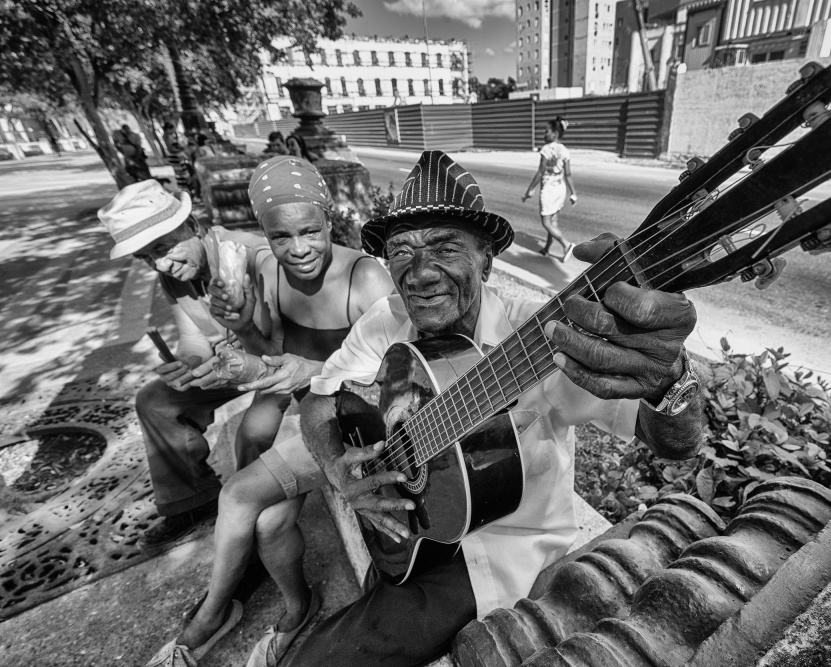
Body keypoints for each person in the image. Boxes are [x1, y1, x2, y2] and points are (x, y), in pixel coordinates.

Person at [286, 150, 704, 667]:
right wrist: (338, 470)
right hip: (417, 531)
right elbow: (319, 400)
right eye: (400, 252)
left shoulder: (542, 337)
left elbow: (675, 443)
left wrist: (671, 380)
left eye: (444, 247)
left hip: (498, 556)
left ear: (486, 259)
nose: (419, 274)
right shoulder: (385, 320)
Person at [145, 156, 394, 667]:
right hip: (307, 416)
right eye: (281, 237)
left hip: (353, 422)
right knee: (268, 524)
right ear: (265, 236)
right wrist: (239, 338)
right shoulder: (267, 270)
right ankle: (298, 610)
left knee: (239, 493)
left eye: (311, 231)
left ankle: (210, 618)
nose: (298, 249)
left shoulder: (364, 277)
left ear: (331, 221)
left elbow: (397, 375)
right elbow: (270, 353)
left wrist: (310, 370)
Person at [98, 181, 270, 547]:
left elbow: (284, 344)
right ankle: (192, 502)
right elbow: (194, 338)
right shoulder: (174, 273)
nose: (160, 264)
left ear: (191, 225)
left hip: (275, 360)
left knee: (252, 435)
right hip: (232, 363)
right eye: (145, 258)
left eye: (162, 248)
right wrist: (187, 364)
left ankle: (249, 537)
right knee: (155, 400)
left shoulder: (251, 255)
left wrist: (237, 354)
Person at [522, 116, 578, 262]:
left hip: (548, 191)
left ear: (555, 133)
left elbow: (540, 172)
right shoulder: (565, 150)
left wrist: (529, 190)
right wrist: (573, 194)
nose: (544, 134)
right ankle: (547, 248)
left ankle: (566, 245)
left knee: (546, 223)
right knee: (553, 221)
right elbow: (568, 174)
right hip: (560, 189)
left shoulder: (546, 149)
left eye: (546, 131)